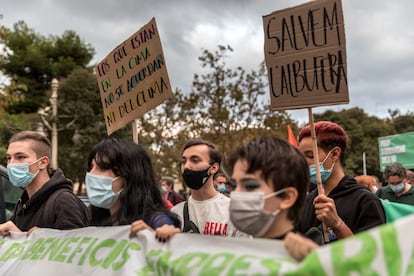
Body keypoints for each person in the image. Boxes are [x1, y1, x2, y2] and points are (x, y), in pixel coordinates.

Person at [295, 121, 386, 243]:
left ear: (334, 154)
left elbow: (373, 254)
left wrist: (337, 224)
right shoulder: (306, 202)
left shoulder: (365, 201)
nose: (304, 163)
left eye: (311, 155)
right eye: (301, 157)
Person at [84, 138, 180, 237]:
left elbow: (169, 232)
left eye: (103, 168)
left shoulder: (155, 219)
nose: (91, 173)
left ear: (128, 177)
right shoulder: (92, 216)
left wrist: (156, 235)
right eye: (91, 167)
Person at [0, 130, 89, 236]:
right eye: (9, 158)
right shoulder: (24, 203)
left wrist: (20, 238)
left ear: (42, 162)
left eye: (21, 157)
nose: (11, 164)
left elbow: (75, 249)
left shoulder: (63, 201)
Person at [228, 136, 310, 241]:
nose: (236, 194)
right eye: (234, 185)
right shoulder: (230, 252)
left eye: (250, 186)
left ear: (287, 197)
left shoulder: (309, 255)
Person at [170, 138, 246, 237]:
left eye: (195, 160)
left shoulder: (234, 211)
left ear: (213, 168)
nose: (186, 166)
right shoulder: (175, 214)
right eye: (183, 162)